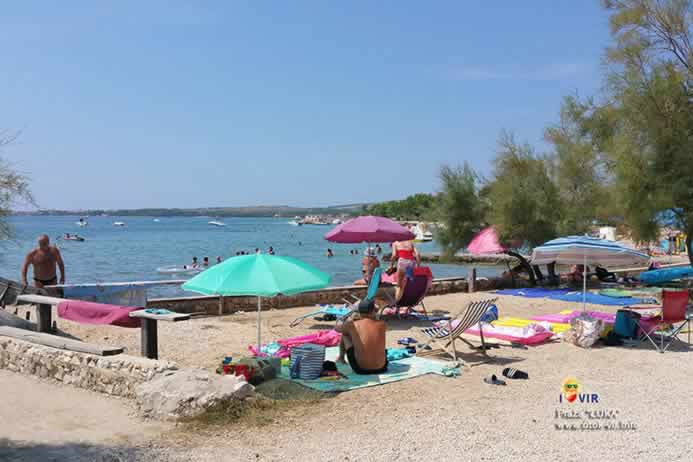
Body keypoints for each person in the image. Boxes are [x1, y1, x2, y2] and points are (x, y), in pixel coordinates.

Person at [335, 299, 387, 374]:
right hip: (382, 367)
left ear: (359, 311)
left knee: (345, 334)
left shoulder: (352, 325)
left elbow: (336, 328)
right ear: (373, 311)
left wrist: (347, 319)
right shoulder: (382, 324)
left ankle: (341, 358)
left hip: (360, 369)